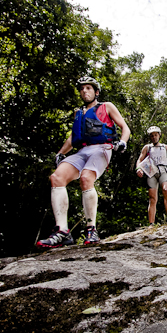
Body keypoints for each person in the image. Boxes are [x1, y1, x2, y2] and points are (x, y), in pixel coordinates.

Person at [36, 76, 131, 248]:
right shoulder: (78, 113)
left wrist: (123, 142)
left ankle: (91, 229)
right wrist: (61, 153)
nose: (84, 91)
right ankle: (62, 231)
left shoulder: (106, 106)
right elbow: (73, 137)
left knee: (86, 178)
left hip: (102, 148)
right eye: (82, 89)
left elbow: (125, 127)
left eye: (88, 88)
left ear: (96, 92)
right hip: (82, 151)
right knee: (56, 178)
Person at [136, 126, 167, 226]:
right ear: (150, 137)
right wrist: (138, 168)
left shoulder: (165, 147)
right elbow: (139, 160)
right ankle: (151, 223)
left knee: (166, 189)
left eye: (155, 135)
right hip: (151, 172)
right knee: (152, 198)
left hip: (163, 170)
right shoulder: (147, 147)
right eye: (152, 135)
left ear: (159, 135)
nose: (154, 137)